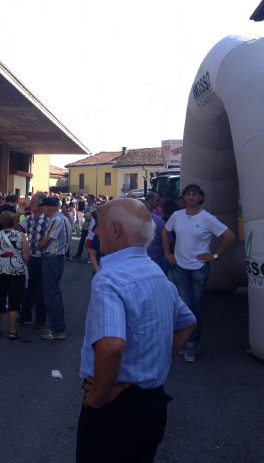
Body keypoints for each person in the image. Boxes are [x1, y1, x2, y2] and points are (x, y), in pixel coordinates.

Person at [77, 198, 196, 463]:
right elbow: (187, 323)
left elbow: (111, 346)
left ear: (115, 229)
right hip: (151, 404)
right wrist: (150, 366)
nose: (96, 231)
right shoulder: (155, 272)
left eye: (99, 225)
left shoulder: (109, 279)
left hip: (116, 409)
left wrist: (98, 398)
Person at [161, 184, 235, 362]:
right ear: (184, 198)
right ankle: (187, 342)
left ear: (201, 197)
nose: (191, 197)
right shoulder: (177, 215)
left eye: (195, 194)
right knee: (186, 305)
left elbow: (229, 236)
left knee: (196, 306)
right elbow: (164, 232)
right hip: (179, 267)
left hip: (199, 269)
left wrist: (215, 255)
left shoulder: (207, 218)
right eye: (188, 194)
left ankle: (191, 345)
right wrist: (168, 254)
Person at [0, 210, 29, 339]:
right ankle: (13, 331)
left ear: (1, 222)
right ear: (15, 222)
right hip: (16, 271)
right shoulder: (21, 236)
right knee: (14, 300)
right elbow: (26, 256)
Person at [37, 196, 71, 340]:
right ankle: (57, 326)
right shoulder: (62, 218)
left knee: (51, 294)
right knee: (54, 293)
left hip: (53, 258)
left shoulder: (56, 219)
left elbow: (46, 241)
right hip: (56, 258)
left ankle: (57, 329)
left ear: (49, 207)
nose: (42, 209)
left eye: (43, 207)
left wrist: (38, 245)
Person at [19, 193, 46, 327]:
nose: (30, 205)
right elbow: (17, 227)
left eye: (33, 203)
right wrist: (18, 212)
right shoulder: (29, 218)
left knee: (41, 289)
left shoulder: (47, 219)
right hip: (32, 257)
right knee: (28, 287)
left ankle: (40, 320)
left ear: (40, 205)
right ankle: (25, 316)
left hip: (44, 258)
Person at [144, 191, 166, 269]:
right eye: (157, 200)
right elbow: (167, 241)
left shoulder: (132, 217)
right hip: (155, 263)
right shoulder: (158, 220)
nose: (159, 203)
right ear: (150, 200)